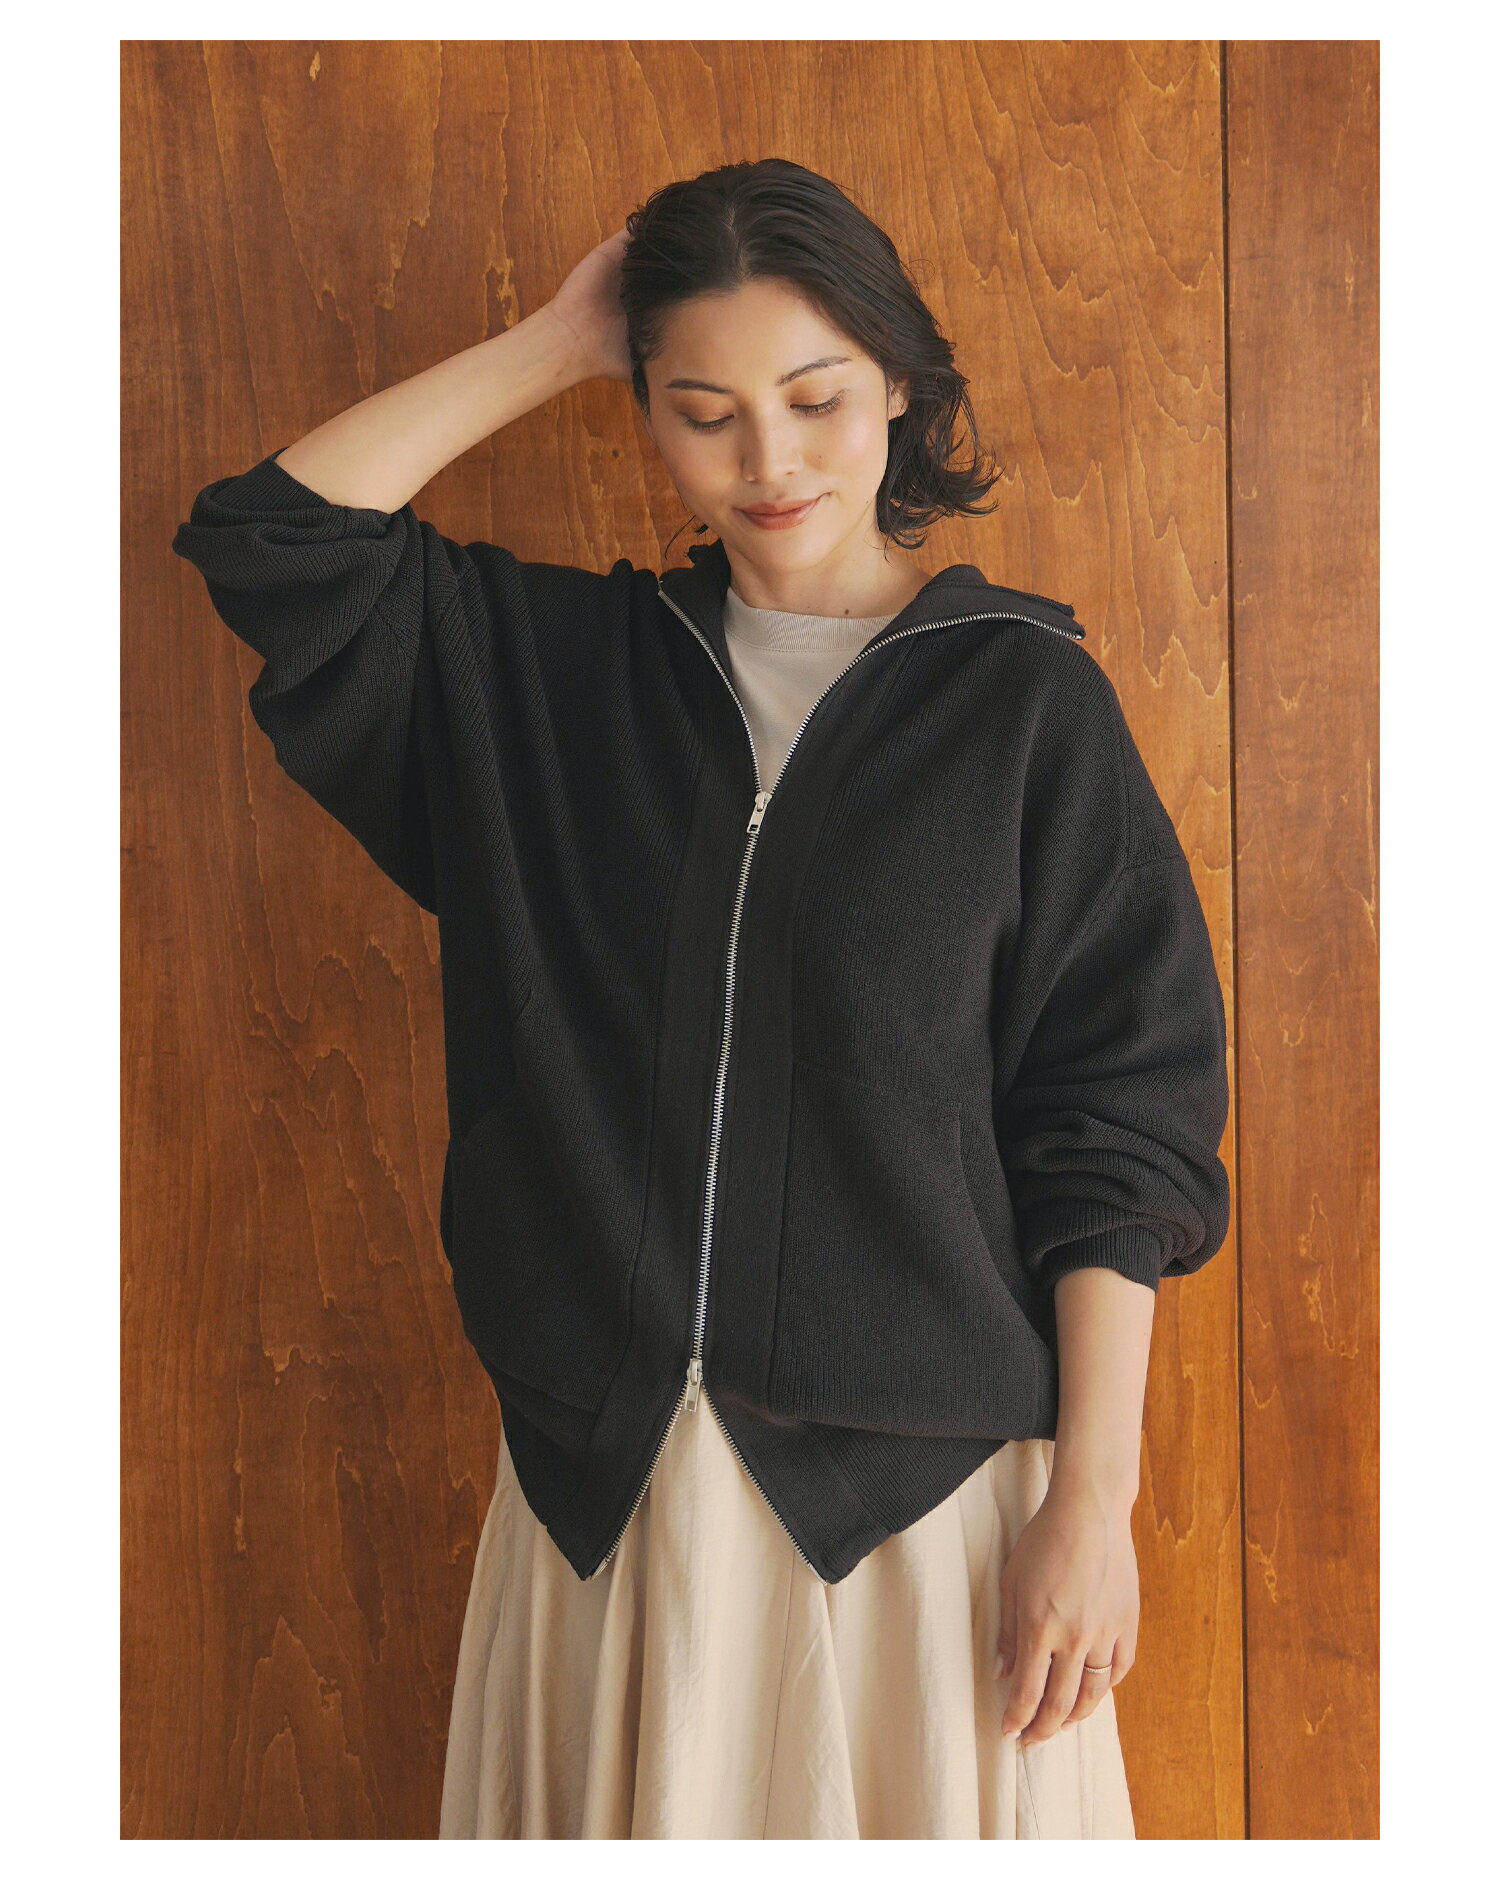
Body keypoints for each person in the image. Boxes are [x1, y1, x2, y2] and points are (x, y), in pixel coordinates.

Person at [172, 158, 1230, 1839]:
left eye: (816, 397)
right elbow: (275, 541)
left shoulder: (1027, 707)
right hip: (609, 1499)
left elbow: (1118, 1132)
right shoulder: (551, 681)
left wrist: (1091, 1507)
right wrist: (558, 339)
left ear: (900, 382)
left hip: (915, 1513)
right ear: (646, 413)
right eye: (703, 412)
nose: (771, 461)